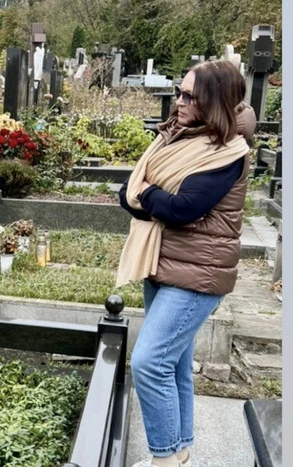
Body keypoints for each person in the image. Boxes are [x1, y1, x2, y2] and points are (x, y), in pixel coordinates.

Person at [116, 60, 255, 467]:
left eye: (188, 95)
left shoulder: (227, 151)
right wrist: (148, 198)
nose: (178, 101)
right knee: (174, 365)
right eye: (180, 91)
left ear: (212, 101)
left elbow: (182, 208)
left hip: (198, 275)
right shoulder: (175, 137)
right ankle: (180, 451)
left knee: (148, 361)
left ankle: (163, 460)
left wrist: (148, 197)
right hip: (163, 262)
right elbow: (128, 194)